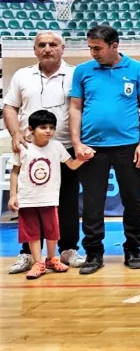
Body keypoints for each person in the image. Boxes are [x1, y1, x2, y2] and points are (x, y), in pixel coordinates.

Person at [70, 24, 140, 274]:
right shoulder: (82, 71)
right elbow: (75, 107)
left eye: (98, 48)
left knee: (133, 200)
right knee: (92, 203)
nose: (93, 53)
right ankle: (94, 253)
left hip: (128, 146)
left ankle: (133, 249)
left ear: (114, 46)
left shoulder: (138, 69)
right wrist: (77, 143)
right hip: (92, 147)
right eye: (90, 48)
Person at [3, 31, 84, 274]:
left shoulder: (75, 74)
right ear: (35, 49)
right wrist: (16, 134)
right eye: (42, 45)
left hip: (63, 147)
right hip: (30, 150)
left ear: (63, 48)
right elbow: (10, 107)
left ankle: (67, 250)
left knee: (67, 203)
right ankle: (28, 254)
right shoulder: (22, 75)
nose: (47, 48)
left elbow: (83, 107)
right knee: (30, 204)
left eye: (52, 44)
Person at [8, 110, 90, 279]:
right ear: (31, 129)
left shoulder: (57, 146)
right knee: (32, 232)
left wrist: (82, 159)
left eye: (52, 127)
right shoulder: (23, 148)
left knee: (52, 230)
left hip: (50, 198)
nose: (48, 131)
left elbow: (72, 165)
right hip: (28, 199)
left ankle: (51, 259)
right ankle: (38, 263)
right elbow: (15, 172)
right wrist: (13, 195)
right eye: (43, 127)